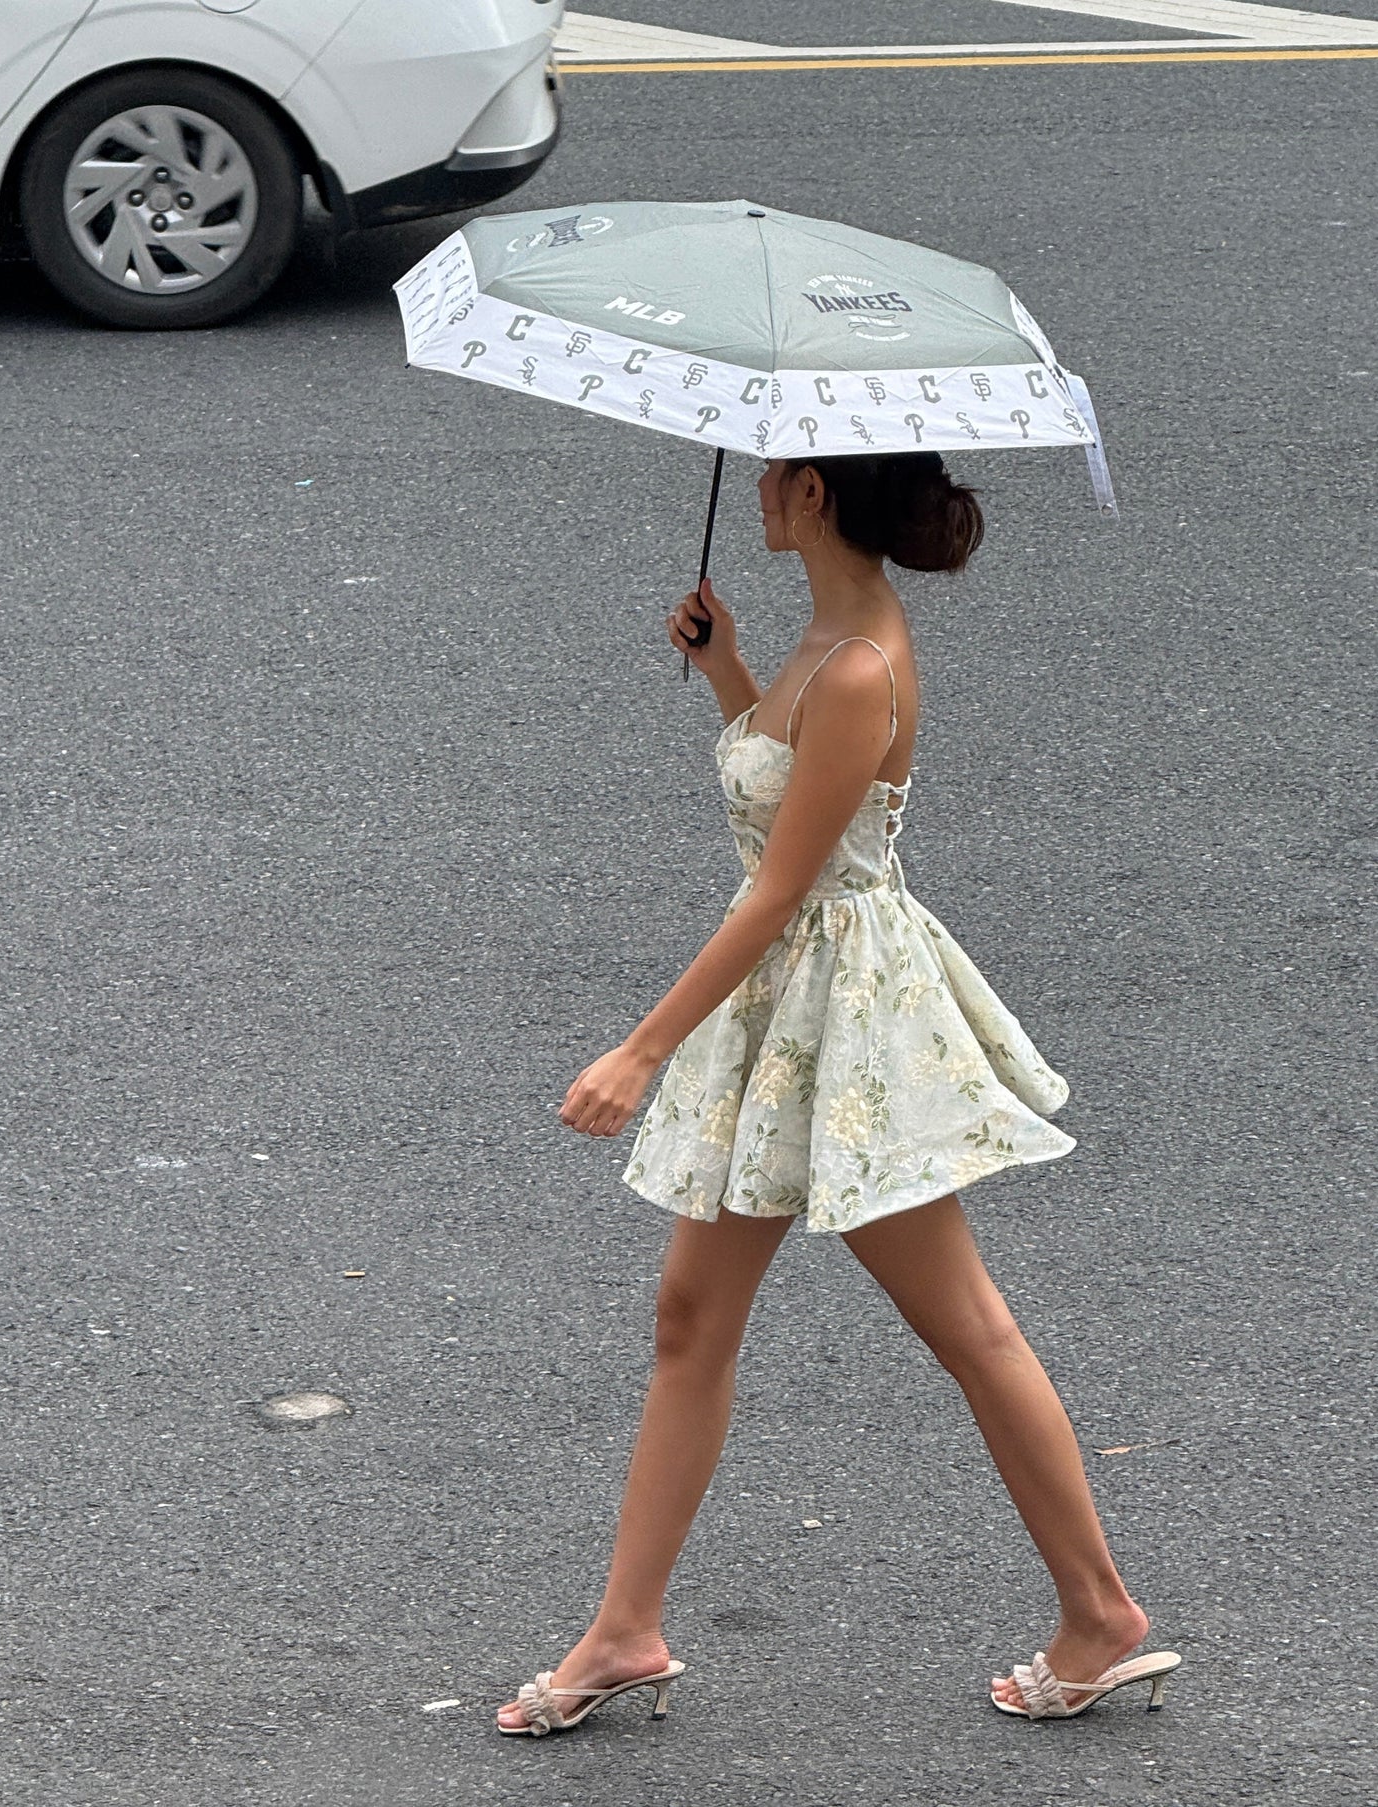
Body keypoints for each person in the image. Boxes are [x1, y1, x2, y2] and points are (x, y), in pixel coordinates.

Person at [497, 451, 1177, 1736]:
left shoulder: (859, 663)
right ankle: (624, 1630)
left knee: (966, 1325)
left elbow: (781, 888)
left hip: (843, 1026)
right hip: (793, 1010)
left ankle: (1099, 1614)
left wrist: (638, 1052)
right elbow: (793, 812)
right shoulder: (822, 640)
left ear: (812, 494)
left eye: (772, 475)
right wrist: (730, 680)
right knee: (690, 1318)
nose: (755, 489)